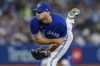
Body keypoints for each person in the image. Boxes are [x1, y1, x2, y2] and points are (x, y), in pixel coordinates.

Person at [30, 2, 80, 66]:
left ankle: (70, 19)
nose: (37, 14)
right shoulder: (33, 22)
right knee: (66, 26)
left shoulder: (60, 22)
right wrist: (50, 48)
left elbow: (60, 42)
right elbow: (39, 40)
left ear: (47, 12)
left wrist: (49, 50)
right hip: (54, 38)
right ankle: (70, 18)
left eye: (40, 12)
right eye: (36, 12)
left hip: (65, 38)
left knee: (51, 60)